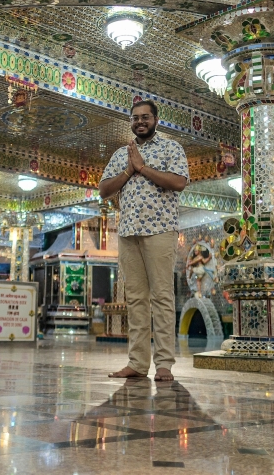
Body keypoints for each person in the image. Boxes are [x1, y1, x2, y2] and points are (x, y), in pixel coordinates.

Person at [99, 100, 189, 382]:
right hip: (128, 232)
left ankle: (164, 365)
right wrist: (129, 169)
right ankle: (137, 363)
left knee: (162, 297)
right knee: (136, 299)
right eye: (135, 117)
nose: (140, 121)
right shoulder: (121, 154)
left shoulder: (171, 148)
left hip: (161, 230)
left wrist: (143, 168)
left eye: (145, 117)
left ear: (156, 119)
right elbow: (104, 189)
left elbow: (178, 182)